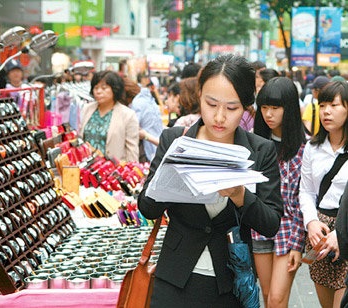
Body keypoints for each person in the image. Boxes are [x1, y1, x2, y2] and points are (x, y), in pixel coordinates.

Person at [138, 54, 283, 308]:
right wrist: (169, 178)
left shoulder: (261, 150)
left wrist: (240, 195)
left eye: (231, 108)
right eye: (211, 104)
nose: (219, 117)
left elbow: (271, 223)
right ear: (199, 95)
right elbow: (147, 208)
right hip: (175, 277)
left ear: (247, 107)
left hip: (230, 283)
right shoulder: (175, 140)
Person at [253, 77, 307, 308]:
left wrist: (297, 244)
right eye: (264, 107)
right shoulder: (254, 143)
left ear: (290, 109)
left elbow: (304, 198)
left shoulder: (305, 149)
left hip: (288, 228)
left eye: (275, 107)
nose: (269, 114)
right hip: (260, 226)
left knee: (276, 298)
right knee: (267, 295)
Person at [299, 81, 348, 308]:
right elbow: (306, 190)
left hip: (344, 228)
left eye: (334, 105)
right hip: (320, 231)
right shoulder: (312, 147)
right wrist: (311, 222)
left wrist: (342, 233)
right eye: (323, 104)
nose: (326, 111)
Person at [79, 71, 139, 161]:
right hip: (87, 169)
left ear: (114, 90)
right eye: (96, 88)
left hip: (113, 171)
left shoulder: (128, 115)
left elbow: (132, 151)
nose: (98, 92)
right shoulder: (87, 109)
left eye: (104, 88)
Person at [129, 77, 164, 162]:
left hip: (147, 149)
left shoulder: (138, 102)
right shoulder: (152, 102)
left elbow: (133, 127)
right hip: (155, 149)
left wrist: (145, 135)